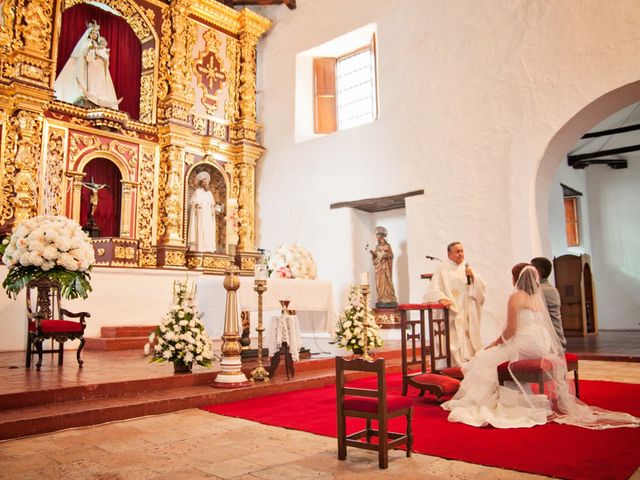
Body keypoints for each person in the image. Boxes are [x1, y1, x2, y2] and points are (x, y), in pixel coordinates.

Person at [442, 263, 639, 429]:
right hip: (542, 343)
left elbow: (511, 331)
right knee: (493, 355)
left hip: (526, 343)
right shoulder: (537, 297)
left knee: (485, 358)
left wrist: (495, 343)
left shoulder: (516, 297)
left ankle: (484, 398)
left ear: (515, 279)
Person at [424, 242, 485, 366]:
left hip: (467, 311)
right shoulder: (442, 269)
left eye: (462, 251)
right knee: (452, 339)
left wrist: (473, 277)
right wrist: (441, 299)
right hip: (451, 311)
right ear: (449, 254)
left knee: (468, 338)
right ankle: (451, 365)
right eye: (457, 251)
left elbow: (481, 290)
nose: (461, 254)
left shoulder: (467, 269)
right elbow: (432, 289)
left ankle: (468, 363)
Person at [54, 21, 121, 110]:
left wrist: (103, 54)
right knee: (90, 82)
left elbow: (104, 57)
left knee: (98, 84)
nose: (95, 35)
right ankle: (88, 94)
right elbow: (84, 54)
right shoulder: (86, 43)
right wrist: (91, 50)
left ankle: (98, 97)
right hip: (89, 67)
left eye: (96, 34)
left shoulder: (99, 45)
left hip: (98, 68)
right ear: (89, 34)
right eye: (93, 33)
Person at [531, 256, 567, 350]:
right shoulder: (548, 288)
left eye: (530, 269)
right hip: (554, 339)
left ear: (538, 272)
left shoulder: (541, 291)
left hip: (553, 342)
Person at [187, 171, 222, 252]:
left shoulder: (209, 193)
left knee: (208, 231)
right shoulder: (197, 192)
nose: (206, 183)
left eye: (207, 181)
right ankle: (200, 247)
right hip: (201, 214)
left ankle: (208, 248)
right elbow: (193, 203)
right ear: (201, 183)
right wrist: (197, 206)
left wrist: (216, 209)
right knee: (201, 229)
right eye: (204, 181)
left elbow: (213, 205)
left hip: (208, 216)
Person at [369, 226, 398, 307]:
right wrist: (373, 254)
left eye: (380, 238)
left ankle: (389, 298)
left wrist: (386, 255)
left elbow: (391, 256)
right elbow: (376, 257)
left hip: (386, 268)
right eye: (377, 238)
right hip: (379, 268)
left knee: (387, 282)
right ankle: (381, 298)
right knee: (379, 283)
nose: (378, 240)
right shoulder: (377, 247)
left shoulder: (388, 246)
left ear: (383, 237)